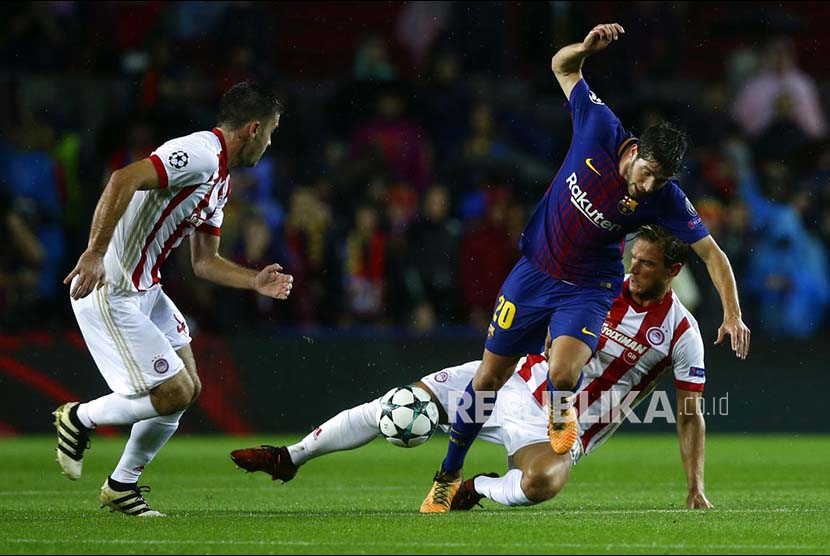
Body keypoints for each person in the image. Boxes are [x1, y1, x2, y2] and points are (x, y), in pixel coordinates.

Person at [419, 23, 750, 513]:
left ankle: (559, 416)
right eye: (647, 172)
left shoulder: (666, 200)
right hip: (534, 272)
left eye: (660, 180)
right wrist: (585, 50)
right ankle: (447, 474)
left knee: (565, 366)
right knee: (487, 380)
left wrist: (732, 314)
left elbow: (713, 255)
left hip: (589, 286)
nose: (647, 185)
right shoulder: (598, 127)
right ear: (635, 150)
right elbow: (562, 66)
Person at [231, 226, 713, 510]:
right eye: (632, 258)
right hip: (510, 381)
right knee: (398, 406)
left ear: (672, 272)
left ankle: (474, 487)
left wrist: (695, 488)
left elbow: (689, 413)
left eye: (646, 265)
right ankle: (289, 458)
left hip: (555, 430)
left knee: (544, 483)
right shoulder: (598, 285)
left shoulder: (680, 331)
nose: (633, 269)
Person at [54, 82, 294, 517]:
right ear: (254, 129)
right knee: (174, 390)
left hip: (148, 290)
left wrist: (253, 281)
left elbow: (204, 262)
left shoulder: (220, 182)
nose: (271, 143)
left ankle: (121, 486)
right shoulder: (200, 153)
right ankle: (79, 418)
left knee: (189, 387)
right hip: (111, 287)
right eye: (272, 132)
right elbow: (123, 178)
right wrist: (93, 251)